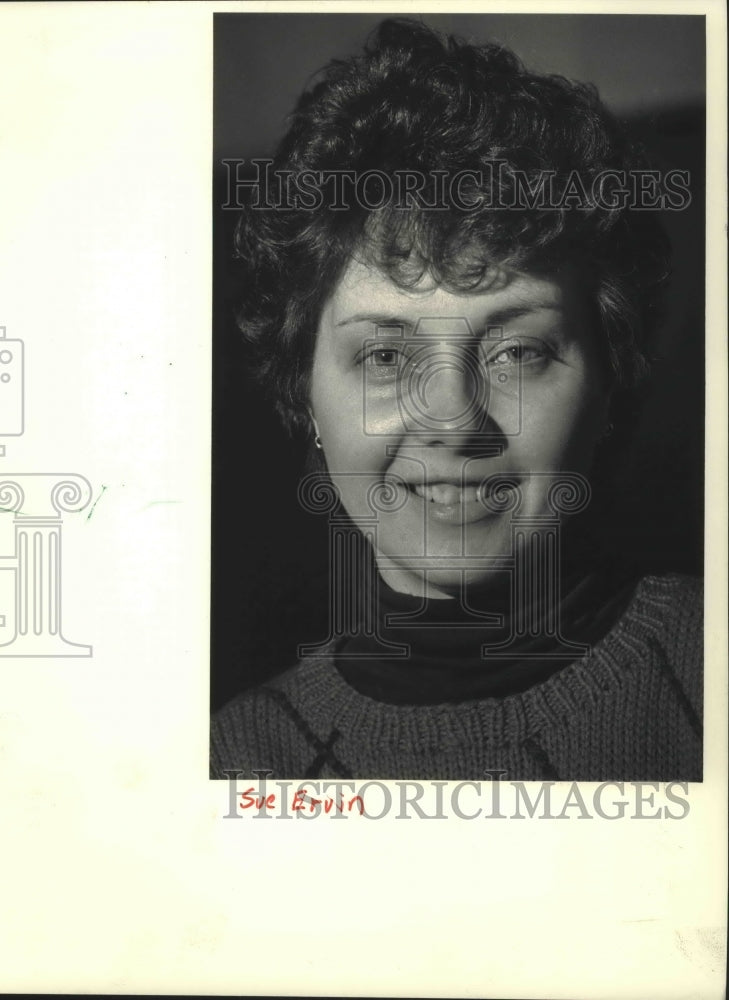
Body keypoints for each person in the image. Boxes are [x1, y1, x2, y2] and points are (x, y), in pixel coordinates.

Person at [210, 18, 702, 781]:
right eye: (383, 355)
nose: (450, 418)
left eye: (515, 352)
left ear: (607, 383)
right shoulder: (236, 762)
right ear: (303, 393)